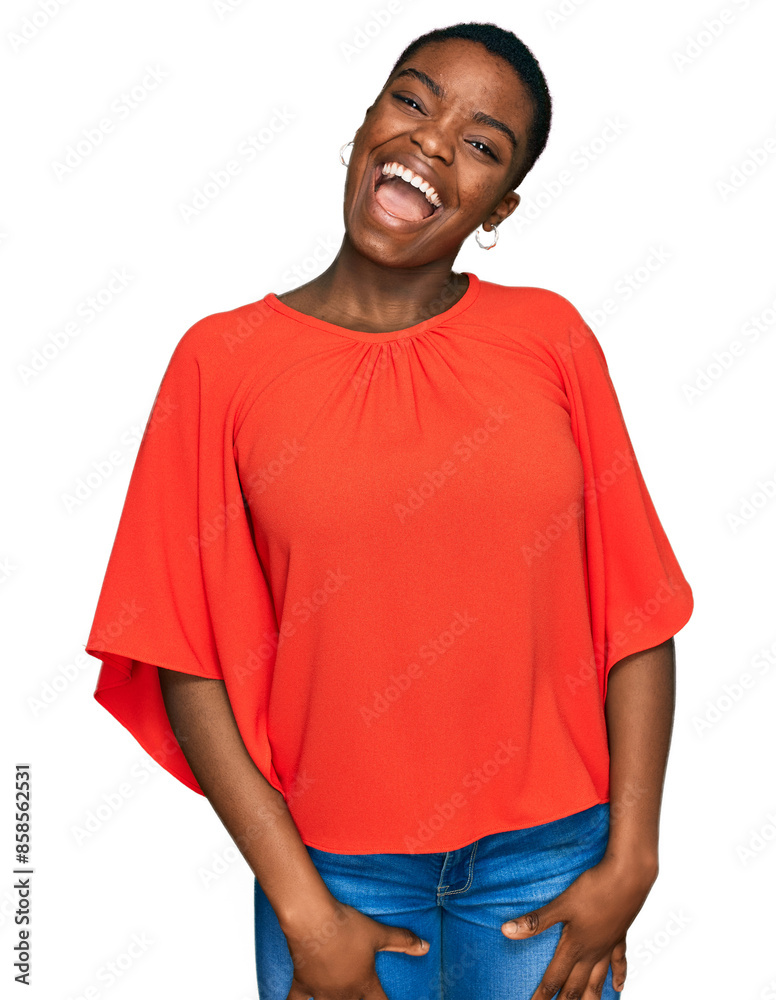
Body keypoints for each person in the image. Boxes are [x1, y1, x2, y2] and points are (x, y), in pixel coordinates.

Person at [84, 20, 694, 1000]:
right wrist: (300, 905)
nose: (433, 141)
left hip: (551, 865)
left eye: (482, 142)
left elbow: (635, 609)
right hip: (332, 876)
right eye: (412, 99)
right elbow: (180, 653)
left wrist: (633, 858)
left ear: (499, 203)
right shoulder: (221, 362)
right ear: (367, 119)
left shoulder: (549, 338)